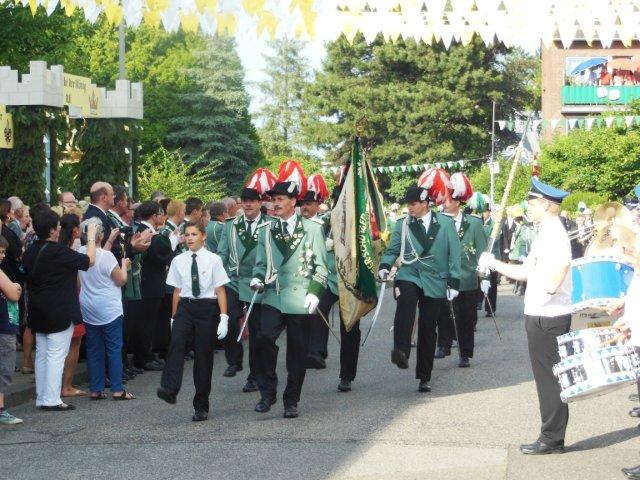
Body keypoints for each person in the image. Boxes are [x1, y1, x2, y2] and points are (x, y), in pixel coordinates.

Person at [478, 177, 572, 455]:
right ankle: (550, 434)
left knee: (550, 379)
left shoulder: (554, 232)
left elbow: (562, 265)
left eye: (531, 202)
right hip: (541, 313)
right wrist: (494, 263)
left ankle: (552, 438)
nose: (527, 207)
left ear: (545, 204)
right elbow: (525, 272)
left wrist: (549, 291)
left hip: (549, 314)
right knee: (546, 378)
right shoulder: (545, 231)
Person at [250, 161, 328, 418]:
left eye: (281, 199)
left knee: (297, 349)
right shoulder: (266, 229)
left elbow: (320, 267)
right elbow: (261, 263)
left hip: (300, 296)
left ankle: (291, 400)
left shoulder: (313, 229)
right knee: (262, 339)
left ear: (294, 201)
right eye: (273, 199)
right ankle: (267, 391)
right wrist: (257, 278)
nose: (275, 203)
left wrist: (315, 292)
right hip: (274, 293)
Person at [379, 185, 461, 392]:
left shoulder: (445, 223)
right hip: (410, 273)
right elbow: (393, 249)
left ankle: (424, 375)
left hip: (435, 278)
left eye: (413, 204)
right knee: (405, 302)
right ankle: (401, 350)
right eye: (408, 204)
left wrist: (454, 281)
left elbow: (454, 253)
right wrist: (384, 266)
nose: (410, 208)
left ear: (425, 204)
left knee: (427, 327)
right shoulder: (403, 224)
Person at [22, 209, 97, 411]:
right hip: (60, 310)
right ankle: (52, 398)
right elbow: (88, 261)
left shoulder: (30, 251)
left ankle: (43, 396)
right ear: (54, 230)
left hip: (37, 309)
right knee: (56, 354)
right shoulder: (58, 251)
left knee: (43, 354)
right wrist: (91, 238)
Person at [157, 222, 229, 422]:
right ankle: (169, 388)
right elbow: (177, 291)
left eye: (194, 234)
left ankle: (201, 405)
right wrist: (173, 317)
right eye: (187, 234)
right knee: (176, 344)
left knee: (203, 356)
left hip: (207, 308)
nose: (189, 238)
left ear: (203, 236)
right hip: (186, 307)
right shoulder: (178, 260)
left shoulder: (214, 260)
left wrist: (224, 317)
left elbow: (220, 289)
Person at [217, 177, 270, 386]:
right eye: (244, 201)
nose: (248, 204)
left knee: (256, 330)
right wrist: (215, 276)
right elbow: (222, 253)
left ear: (259, 203)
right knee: (228, 318)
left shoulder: (269, 224)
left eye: (252, 201)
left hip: (257, 281)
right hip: (233, 279)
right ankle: (234, 360)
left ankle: (255, 375)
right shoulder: (231, 225)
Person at [78, 218, 134, 401]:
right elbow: (120, 280)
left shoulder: (79, 253)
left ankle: (96, 388)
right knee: (113, 348)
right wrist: (124, 266)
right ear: (100, 234)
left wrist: (110, 240)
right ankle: (117, 388)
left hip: (88, 306)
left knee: (94, 349)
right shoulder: (108, 257)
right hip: (109, 307)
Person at [435, 174, 488, 367]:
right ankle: (443, 344)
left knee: (467, 318)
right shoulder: (437, 221)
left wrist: (485, 277)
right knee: (443, 314)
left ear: (458, 202)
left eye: (447, 200)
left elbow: (482, 251)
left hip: (466, 278)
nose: (443, 204)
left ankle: (465, 353)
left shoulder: (474, 223)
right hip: (444, 277)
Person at [127, 201, 175, 371]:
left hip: (150, 283)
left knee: (149, 323)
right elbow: (160, 256)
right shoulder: (145, 232)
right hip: (149, 283)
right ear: (154, 216)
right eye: (160, 213)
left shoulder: (146, 230)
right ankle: (143, 358)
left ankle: (147, 353)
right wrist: (173, 244)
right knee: (145, 323)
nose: (162, 216)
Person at [300, 173, 332, 370]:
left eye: (309, 204)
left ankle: (317, 352)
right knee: (302, 315)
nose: (305, 207)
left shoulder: (325, 223)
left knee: (320, 311)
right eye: (302, 203)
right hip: (301, 275)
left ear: (317, 205)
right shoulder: (295, 223)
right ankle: (304, 351)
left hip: (322, 274)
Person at [0, 236, 23, 424]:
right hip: (3, 327)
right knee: (4, 367)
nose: (1, 256)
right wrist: (15, 286)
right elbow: (14, 294)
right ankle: (1, 409)